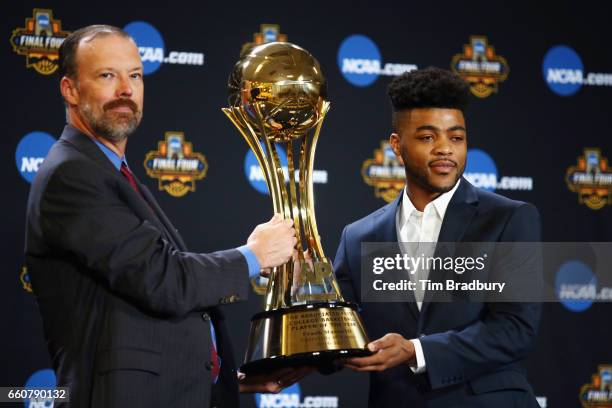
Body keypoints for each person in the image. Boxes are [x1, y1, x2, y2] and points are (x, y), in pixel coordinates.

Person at [25, 25, 309, 408]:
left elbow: (140, 314)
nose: (126, 89)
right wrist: (253, 256)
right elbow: (162, 280)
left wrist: (219, 379)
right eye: (107, 75)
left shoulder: (108, 171)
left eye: (135, 75)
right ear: (70, 90)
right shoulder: (72, 175)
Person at [334, 67, 542, 407]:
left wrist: (416, 350)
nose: (445, 149)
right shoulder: (358, 237)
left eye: (456, 138)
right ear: (397, 147)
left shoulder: (509, 219)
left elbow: (516, 329)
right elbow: (340, 333)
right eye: (428, 137)